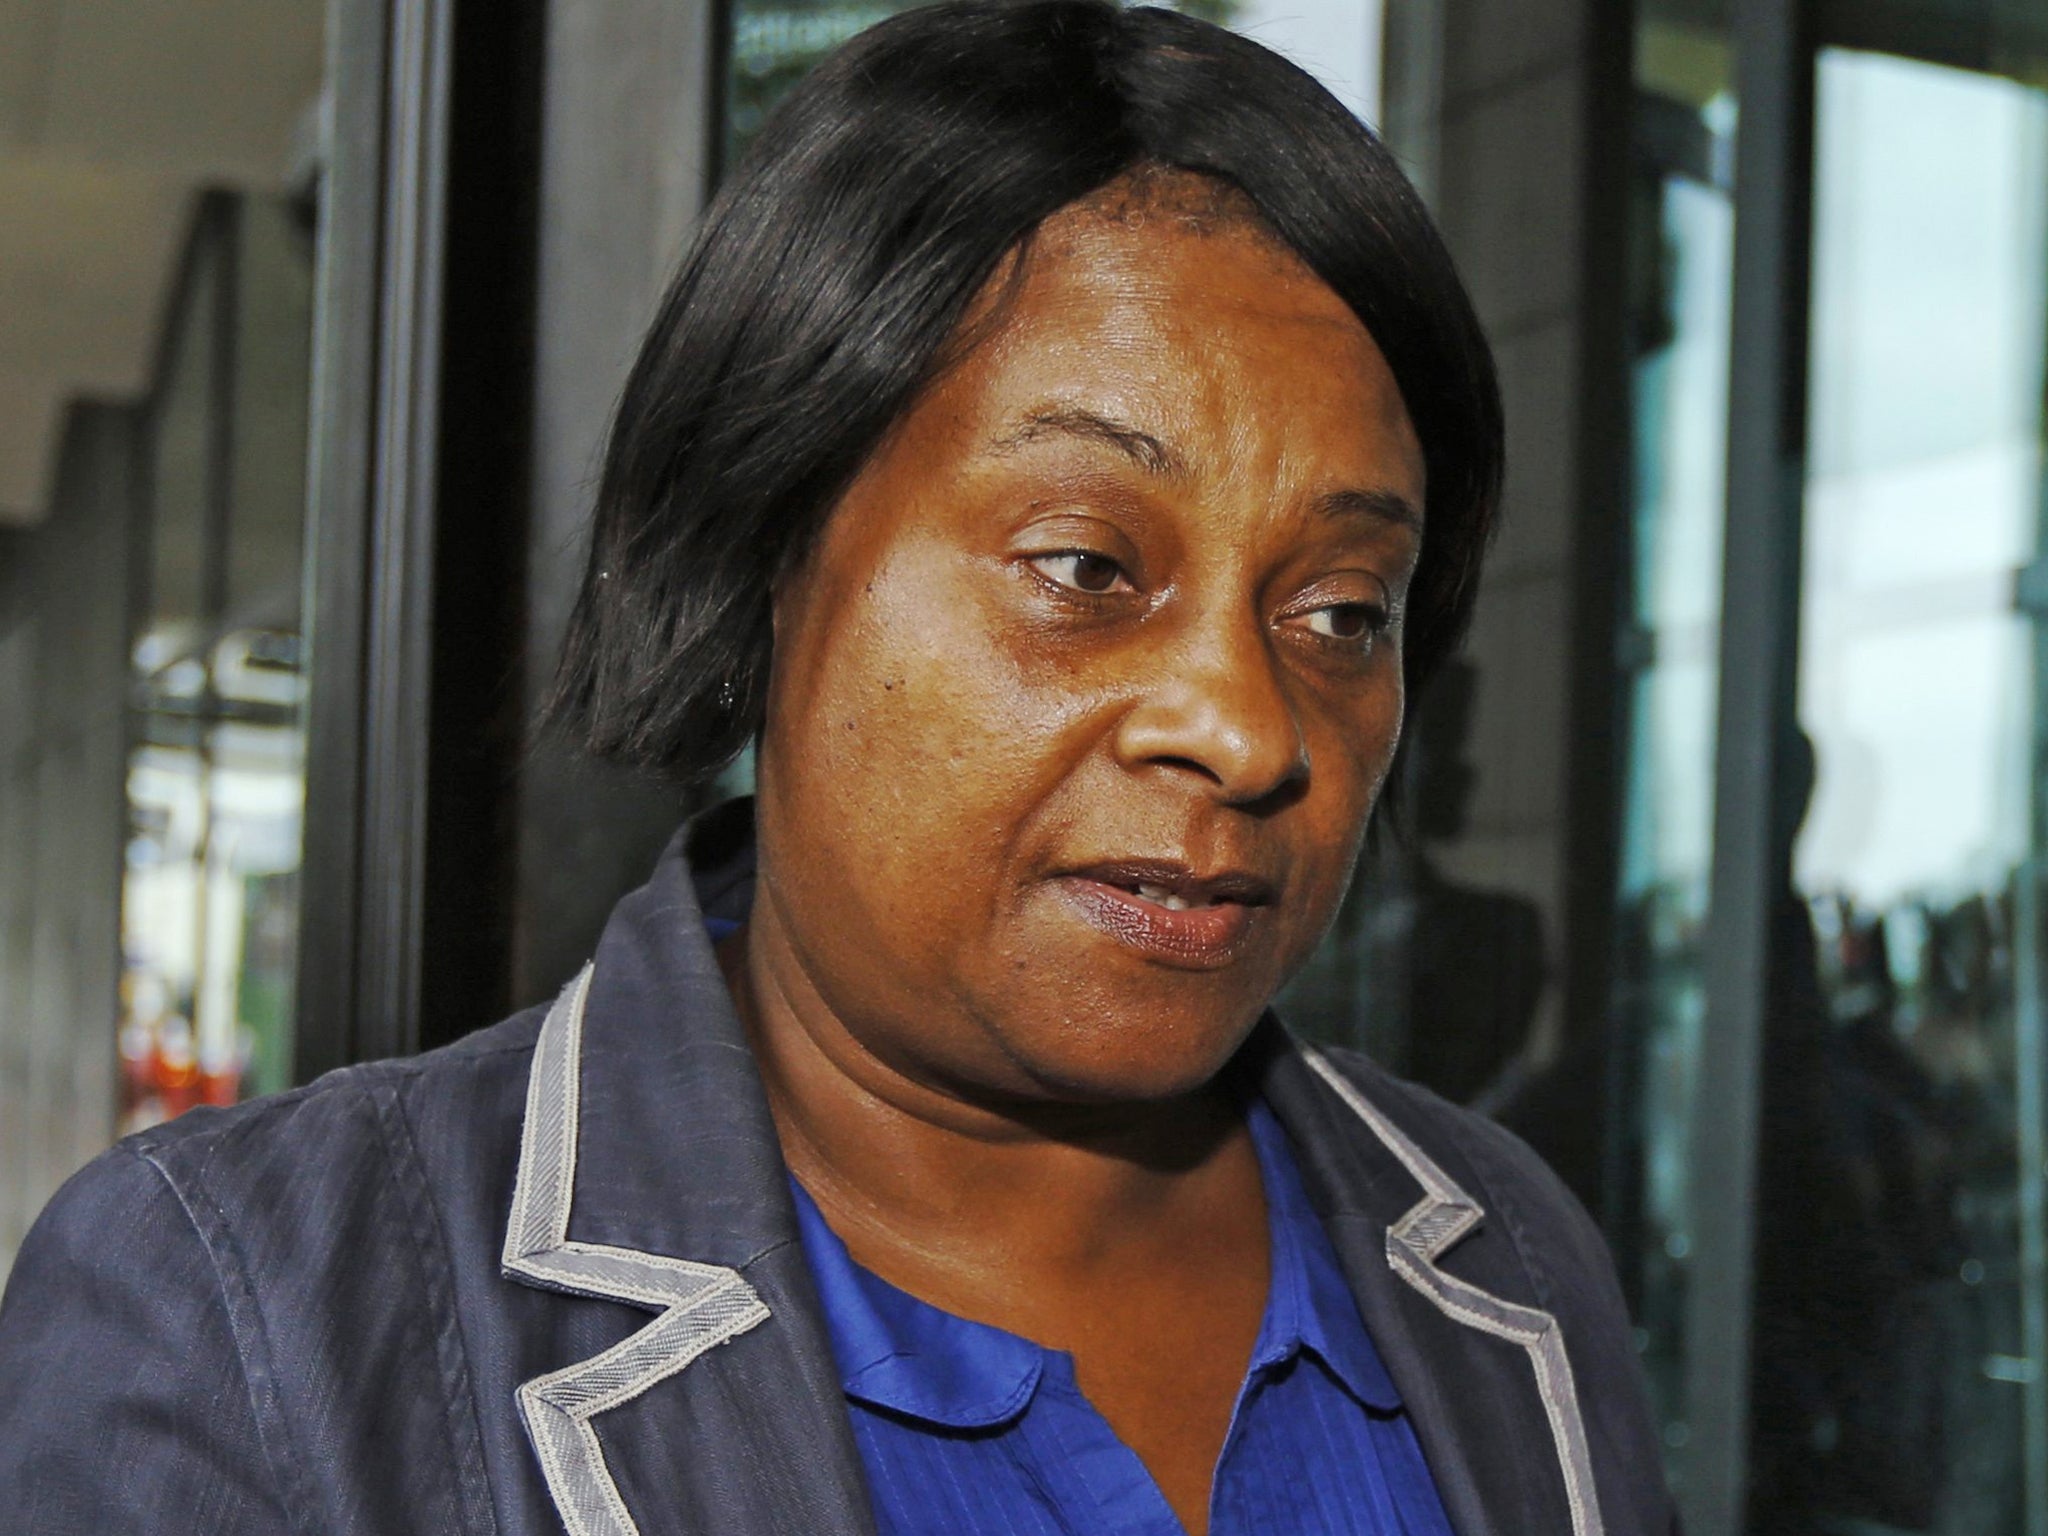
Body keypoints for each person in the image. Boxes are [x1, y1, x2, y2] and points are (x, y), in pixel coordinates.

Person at [0, 3, 1674, 1531]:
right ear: (765, 553)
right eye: (1088, 569)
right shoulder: (253, 1317)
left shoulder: (1505, 1257)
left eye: (1340, 610)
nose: (1245, 728)